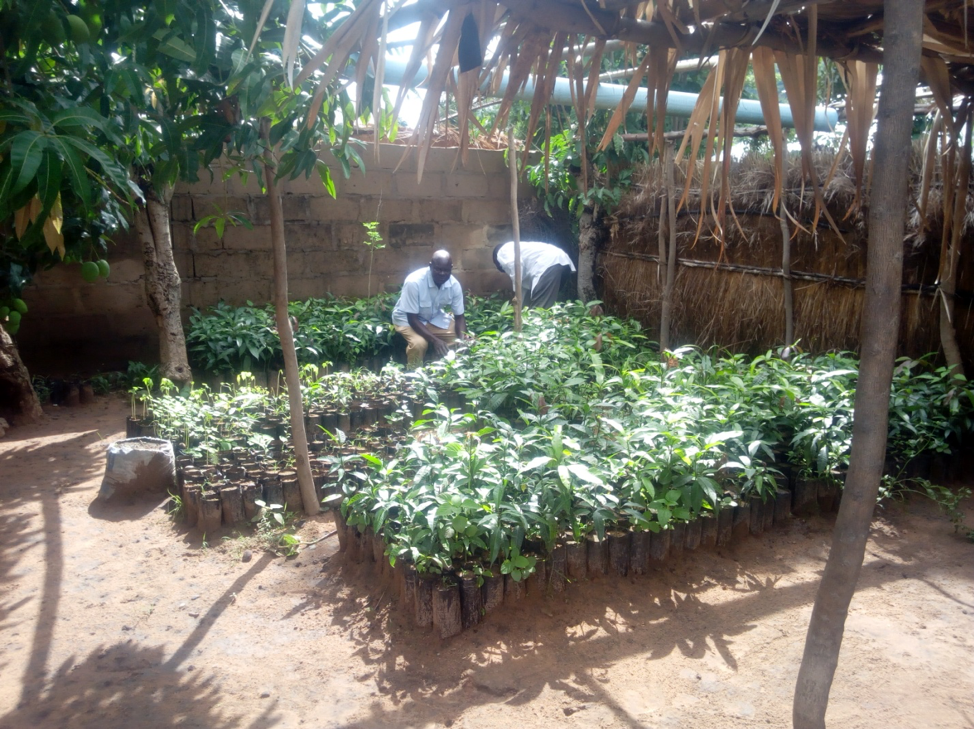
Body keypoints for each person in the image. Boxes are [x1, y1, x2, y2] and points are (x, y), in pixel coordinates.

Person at [392, 250, 469, 369]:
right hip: (407, 320)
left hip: (433, 318)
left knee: (464, 341)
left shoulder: (454, 285)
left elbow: (459, 317)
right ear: (430, 266)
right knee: (419, 344)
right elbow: (412, 319)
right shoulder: (414, 282)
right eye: (438, 269)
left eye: (446, 270)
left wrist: (462, 341)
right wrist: (435, 340)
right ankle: (413, 377)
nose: (442, 273)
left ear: (451, 268)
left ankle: (447, 372)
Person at [492, 240, 576, 308]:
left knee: (539, 310)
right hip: (561, 261)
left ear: (497, 260)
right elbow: (523, 293)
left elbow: (516, 265)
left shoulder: (502, 252)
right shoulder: (515, 248)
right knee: (547, 305)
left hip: (548, 264)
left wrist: (516, 291)